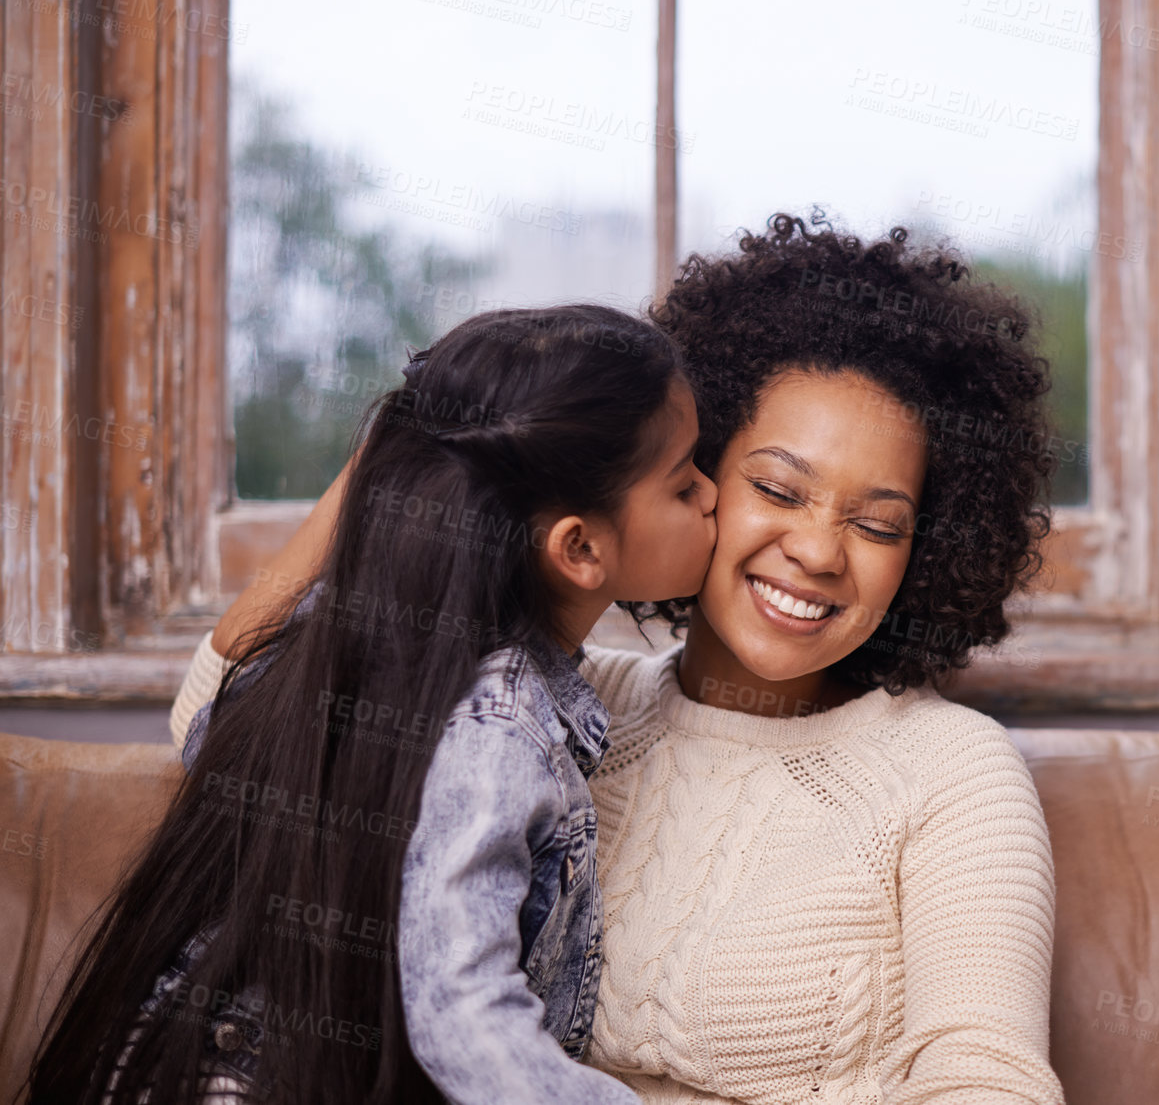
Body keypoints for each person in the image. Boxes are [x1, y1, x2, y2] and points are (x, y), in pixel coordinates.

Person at [171, 211, 1070, 1103]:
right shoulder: (549, 705)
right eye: (775, 488)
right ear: (689, 478)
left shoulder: (949, 768)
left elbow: (990, 1086)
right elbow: (228, 716)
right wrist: (421, 443)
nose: (819, 551)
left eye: (876, 524)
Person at [29, 304, 717, 1105]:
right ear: (579, 548)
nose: (713, 495)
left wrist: (432, 433)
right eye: (685, 479)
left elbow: (209, 719)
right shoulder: (499, 728)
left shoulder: (372, 647)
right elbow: (466, 1020)